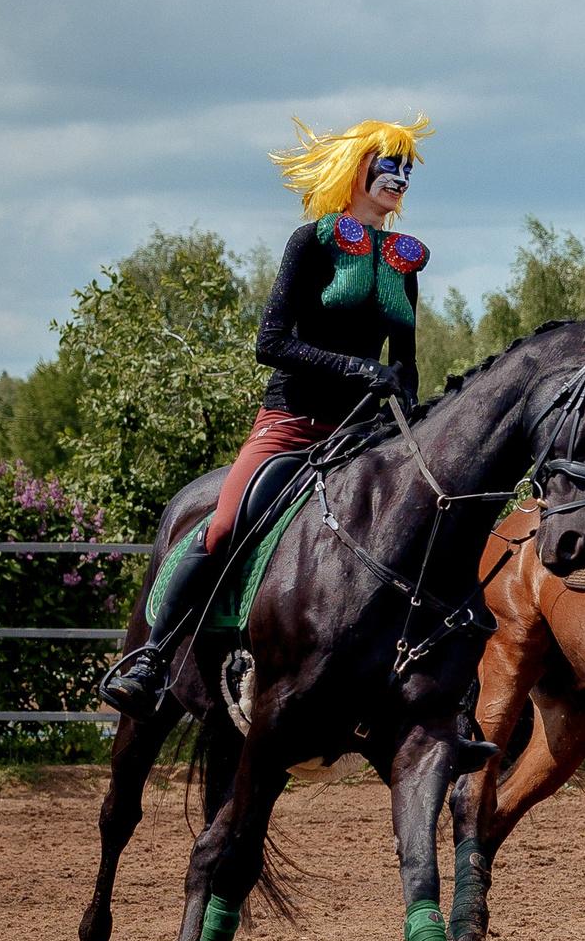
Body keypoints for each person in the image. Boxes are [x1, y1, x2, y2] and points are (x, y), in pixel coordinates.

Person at [101, 117, 430, 709]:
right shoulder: (312, 242)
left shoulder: (407, 260)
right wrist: (361, 371)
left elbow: (403, 365)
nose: (399, 176)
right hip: (291, 424)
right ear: (355, 169)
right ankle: (151, 658)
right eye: (388, 162)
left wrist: (412, 416)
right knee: (224, 526)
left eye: (407, 167)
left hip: (360, 436)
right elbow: (271, 343)